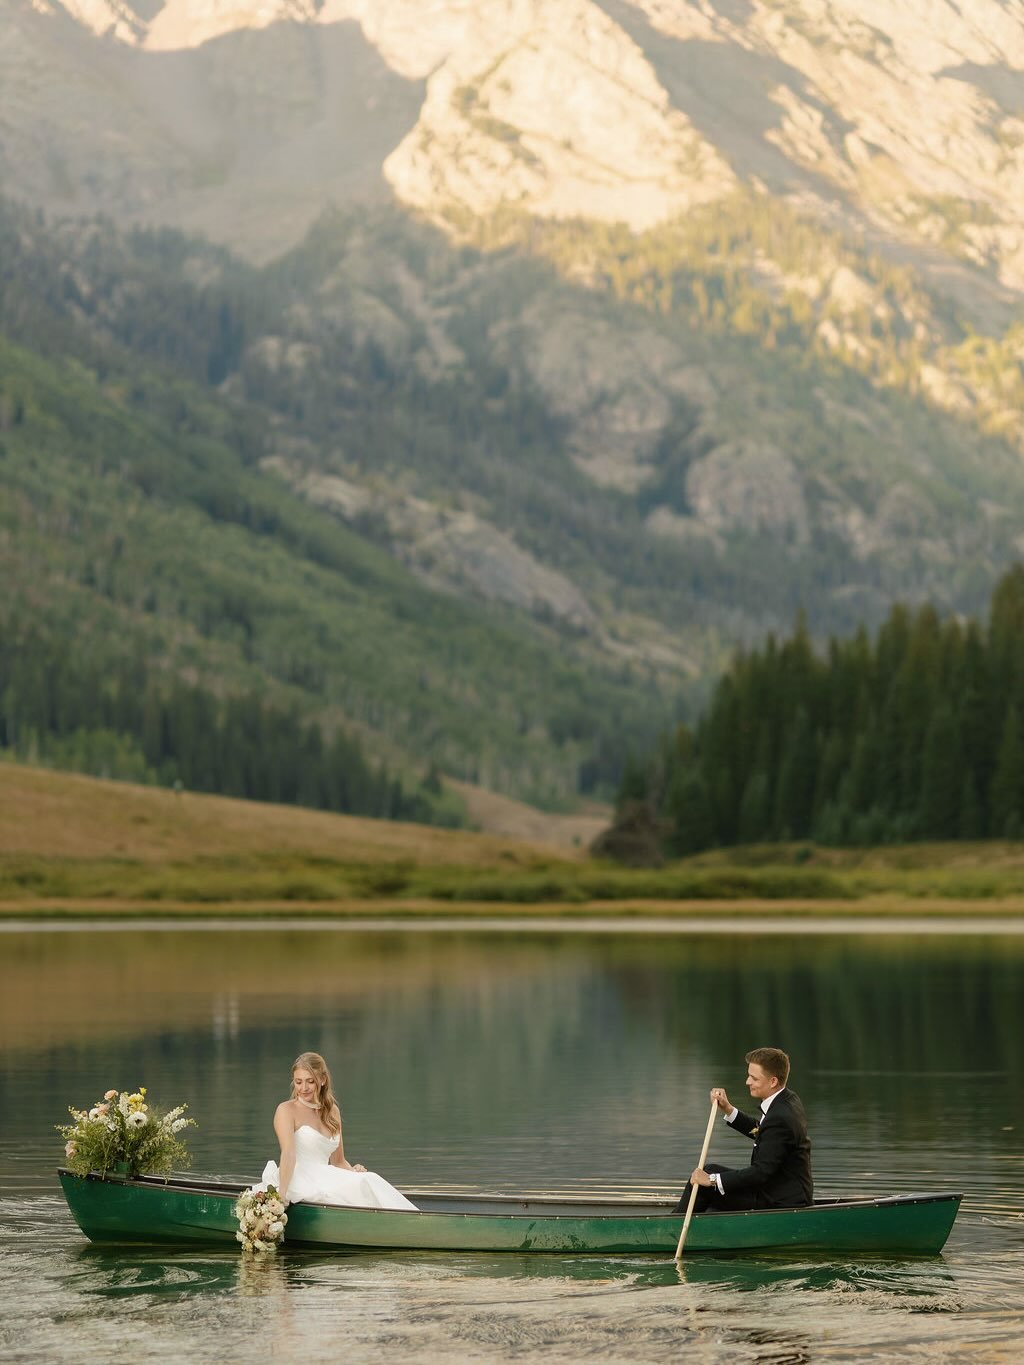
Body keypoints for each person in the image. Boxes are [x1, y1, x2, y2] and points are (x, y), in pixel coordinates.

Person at [259, 1051, 417, 1211]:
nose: (304, 1088)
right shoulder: (286, 1110)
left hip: (325, 1174)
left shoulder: (332, 1111)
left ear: (322, 1080)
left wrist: (352, 1171)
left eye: (310, 1081)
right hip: (298, 1176)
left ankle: (408, 1221)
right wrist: (282, 1195)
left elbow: (338, 1161)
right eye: (298, 1082)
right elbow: (288, 1154)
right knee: (359, 1185)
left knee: (368, 1178)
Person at [673, 1046, 812, 1214]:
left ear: (773, 1081)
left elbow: (760, 1172)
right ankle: (703, 1221)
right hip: (781, 1191)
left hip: (779, 1200)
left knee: (702, 1184)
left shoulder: (780, 1117)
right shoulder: (787, 1099)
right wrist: (728, 1109)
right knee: (709, 1169)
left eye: (754, 1078)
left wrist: (711, 1181)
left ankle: (670, 1227)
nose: (747, 1082)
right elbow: (763, 1133)